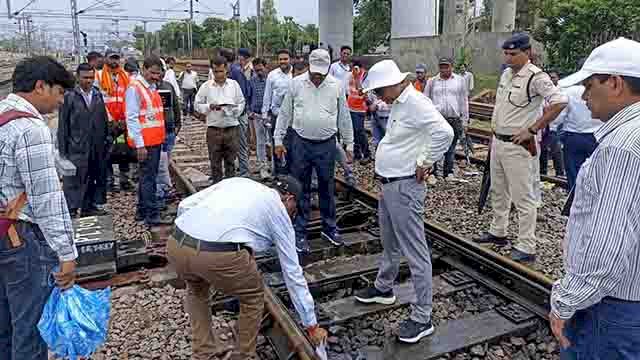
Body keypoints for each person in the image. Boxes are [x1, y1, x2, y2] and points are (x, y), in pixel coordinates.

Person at [168, 176, 328, 360]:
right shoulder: (277, 209)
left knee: (196, 290)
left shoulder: (239, 183)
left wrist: (193, 240)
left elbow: (184, 205)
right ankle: (242, 356)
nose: (292, 214)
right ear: (289, 198)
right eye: (294, 209)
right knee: (253, 297)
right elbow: (292, 273)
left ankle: (203, 353)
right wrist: (311, 325)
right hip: (217, 256)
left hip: (176, 244)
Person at [549, 37, 640, 359]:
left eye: (589, 85)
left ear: (614, 83)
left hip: (614, 308)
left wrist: (567, 302)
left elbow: (608, 245)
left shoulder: (621, 147)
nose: (584, 96)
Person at [355, 59, 454, 343]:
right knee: (390, 242)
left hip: (404, 186)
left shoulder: (416, 103)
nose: (379, 96)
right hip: (390, 185)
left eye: (380, 89)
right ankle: (384, 288)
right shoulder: (399, 102)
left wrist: (426, 160)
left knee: (415, 251)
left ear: (394, 84)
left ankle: (423, 316)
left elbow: (445, 133)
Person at [0, 56, 78, 359]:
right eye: (59, 92)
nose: (60, 101)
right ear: (40, 86)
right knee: (30, 328)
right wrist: (67, 252)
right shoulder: (31, 129)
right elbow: (46, 197)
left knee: (4, 325)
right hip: (21, 239)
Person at [473, 33, 568, 263]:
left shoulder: (536, 77)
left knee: (523, 195)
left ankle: (526, 244)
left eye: (513, 54)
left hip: (519, 144)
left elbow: (560, 102)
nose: (508, 58)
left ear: (527, 53)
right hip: (498, 142)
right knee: (499, 189)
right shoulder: (506, 73)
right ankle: (498, 231)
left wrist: (533, 129)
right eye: (506, 53)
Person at [274, 49, 354, 252]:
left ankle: (329, 227)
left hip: (326, 144)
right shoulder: (296, 84)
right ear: (309, 66)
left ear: (328, 69)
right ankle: (300, 231)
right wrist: (278, 139)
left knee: (327, 186)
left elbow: (344, 117)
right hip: (300, 142)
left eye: (322, 72)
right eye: (314, 71)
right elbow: (285, 113)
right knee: (301, 188)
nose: (317, 75)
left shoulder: (336, 86)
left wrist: (349, 144)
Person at [58, 63, 109, 218]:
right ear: (77, 77)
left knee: (94, 175)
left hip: (97, 145)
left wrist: (106, 139)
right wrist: (63, 151)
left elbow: (103, 119)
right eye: (85, 77)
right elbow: (63, 125)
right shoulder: (69, 97)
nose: (89, 81)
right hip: (77, 146)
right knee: (74, 180)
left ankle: (90, 206)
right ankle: (72, 210)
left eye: (91, 77)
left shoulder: (97, 94)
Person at [125, 55, 168, 226]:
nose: (156, 77)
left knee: (146, 177)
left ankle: (142, 211)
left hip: (154, 141)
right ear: (143, 69)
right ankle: (151, 214)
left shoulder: (150, 87)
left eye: (158, 74)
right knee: (148, 178)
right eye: (152, 73)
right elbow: (132, 117)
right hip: (146, 143)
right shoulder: (135, 88)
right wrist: (140, 145)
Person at [195, 56, 245, 185]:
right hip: (214, 130)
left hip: (231, 129)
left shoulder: (234, 85)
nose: (219, 74)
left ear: (226, 70)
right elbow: (197, 104)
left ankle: (229, 188)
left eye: (221, 71)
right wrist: (209, 107)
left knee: (231, 162)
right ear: (212, 70)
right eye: (216, 71)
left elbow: (241, 102)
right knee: (215, 163)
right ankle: (216, 188)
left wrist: (235, 111)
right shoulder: (206, 86)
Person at [554, 62, 602, 190]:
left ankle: (574, 199)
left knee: (574, 171)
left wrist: (553, 129)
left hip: (574, 136)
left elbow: (559, 117)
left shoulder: (568, 91)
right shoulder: (604, 91)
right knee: (596, 171)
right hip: (597, 136)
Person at [424, 57, 469, 180]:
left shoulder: (459, 81)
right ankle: (432, 172)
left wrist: (465, 120)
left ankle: (448, 172)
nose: (444, 69)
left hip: (453, 119)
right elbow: (426, 100)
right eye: (441, 66)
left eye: (446, 66)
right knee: (433, 145)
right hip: (437, 119)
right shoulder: (432, 82)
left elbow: (464, 101)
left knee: (451, 146)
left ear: (452, 67)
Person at [96, 49, 133, 191]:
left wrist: (125, 118)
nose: (114, 61)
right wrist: (110, 119)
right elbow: (98, 100)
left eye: (117, 58)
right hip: (107, 122)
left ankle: (125, 179)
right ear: (105, 59)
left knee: (124, 150)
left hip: (123, 122)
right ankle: (109, 180)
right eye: (112, 58)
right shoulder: (98, 76)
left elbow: (130, 98)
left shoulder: (126, 77)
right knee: (107, 150)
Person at [262, 49, 293, 176]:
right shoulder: (272, 75)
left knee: (293, 144)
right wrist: (265, 114)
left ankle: (293, 173)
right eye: (280, 59)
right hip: (277, 115)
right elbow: (267, 95)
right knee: (278, 144)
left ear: (290, 59)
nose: (283, 61)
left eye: (285, 59)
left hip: (293, 117)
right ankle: (280, 174)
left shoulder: (295, 74)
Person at [156, 62, 182, 209]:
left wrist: (179, 122)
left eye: (161, 72)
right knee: (159, 162)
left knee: (165, 160)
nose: (159, 75)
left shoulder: (168, 86)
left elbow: (175, 105)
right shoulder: (147, 89)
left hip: (169, 128)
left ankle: (163, 189)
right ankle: (161, 192)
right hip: (155, 131)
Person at [224, 49, 253, 178]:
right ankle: (236, 171)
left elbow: (243, 94)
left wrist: (238, 111)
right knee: (232, 144)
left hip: (239, 114)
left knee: (241, 144)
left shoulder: (235, 72)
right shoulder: (231, 71)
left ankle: (244, 172)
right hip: (232, 114)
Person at [539, 70, 565, 177]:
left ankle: (559, 173)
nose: (551, 79)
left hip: (556, 125)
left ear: (558, 78)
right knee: (543, 149)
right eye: (550, 77)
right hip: (544, 126)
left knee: (556, 149)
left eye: (553, 77)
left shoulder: (562, 91)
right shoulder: (543, 91)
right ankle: (543, 172)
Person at [344, 59, 370, 163]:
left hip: (360, 109)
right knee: (353, 131)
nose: (352, 70)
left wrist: (358, 78)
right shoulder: (349, 76)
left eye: (354, 68)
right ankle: (357, 153)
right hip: (350, 107)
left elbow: (361, 92)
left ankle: (367, 153)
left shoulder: (364, 76)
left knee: (359, 130)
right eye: (351, 68)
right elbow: (346, 89)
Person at [248, 57, 270, 180]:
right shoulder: (251, 81)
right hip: (257, 115)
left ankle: (277, 168)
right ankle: (263, 167)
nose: (259, 72)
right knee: (260, 142)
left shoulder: (270, 80)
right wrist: (249, 111)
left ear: (265, 68)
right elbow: (248, 97)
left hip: (270, 115)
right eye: (257, 71)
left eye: (261, 70)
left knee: (272, 141)